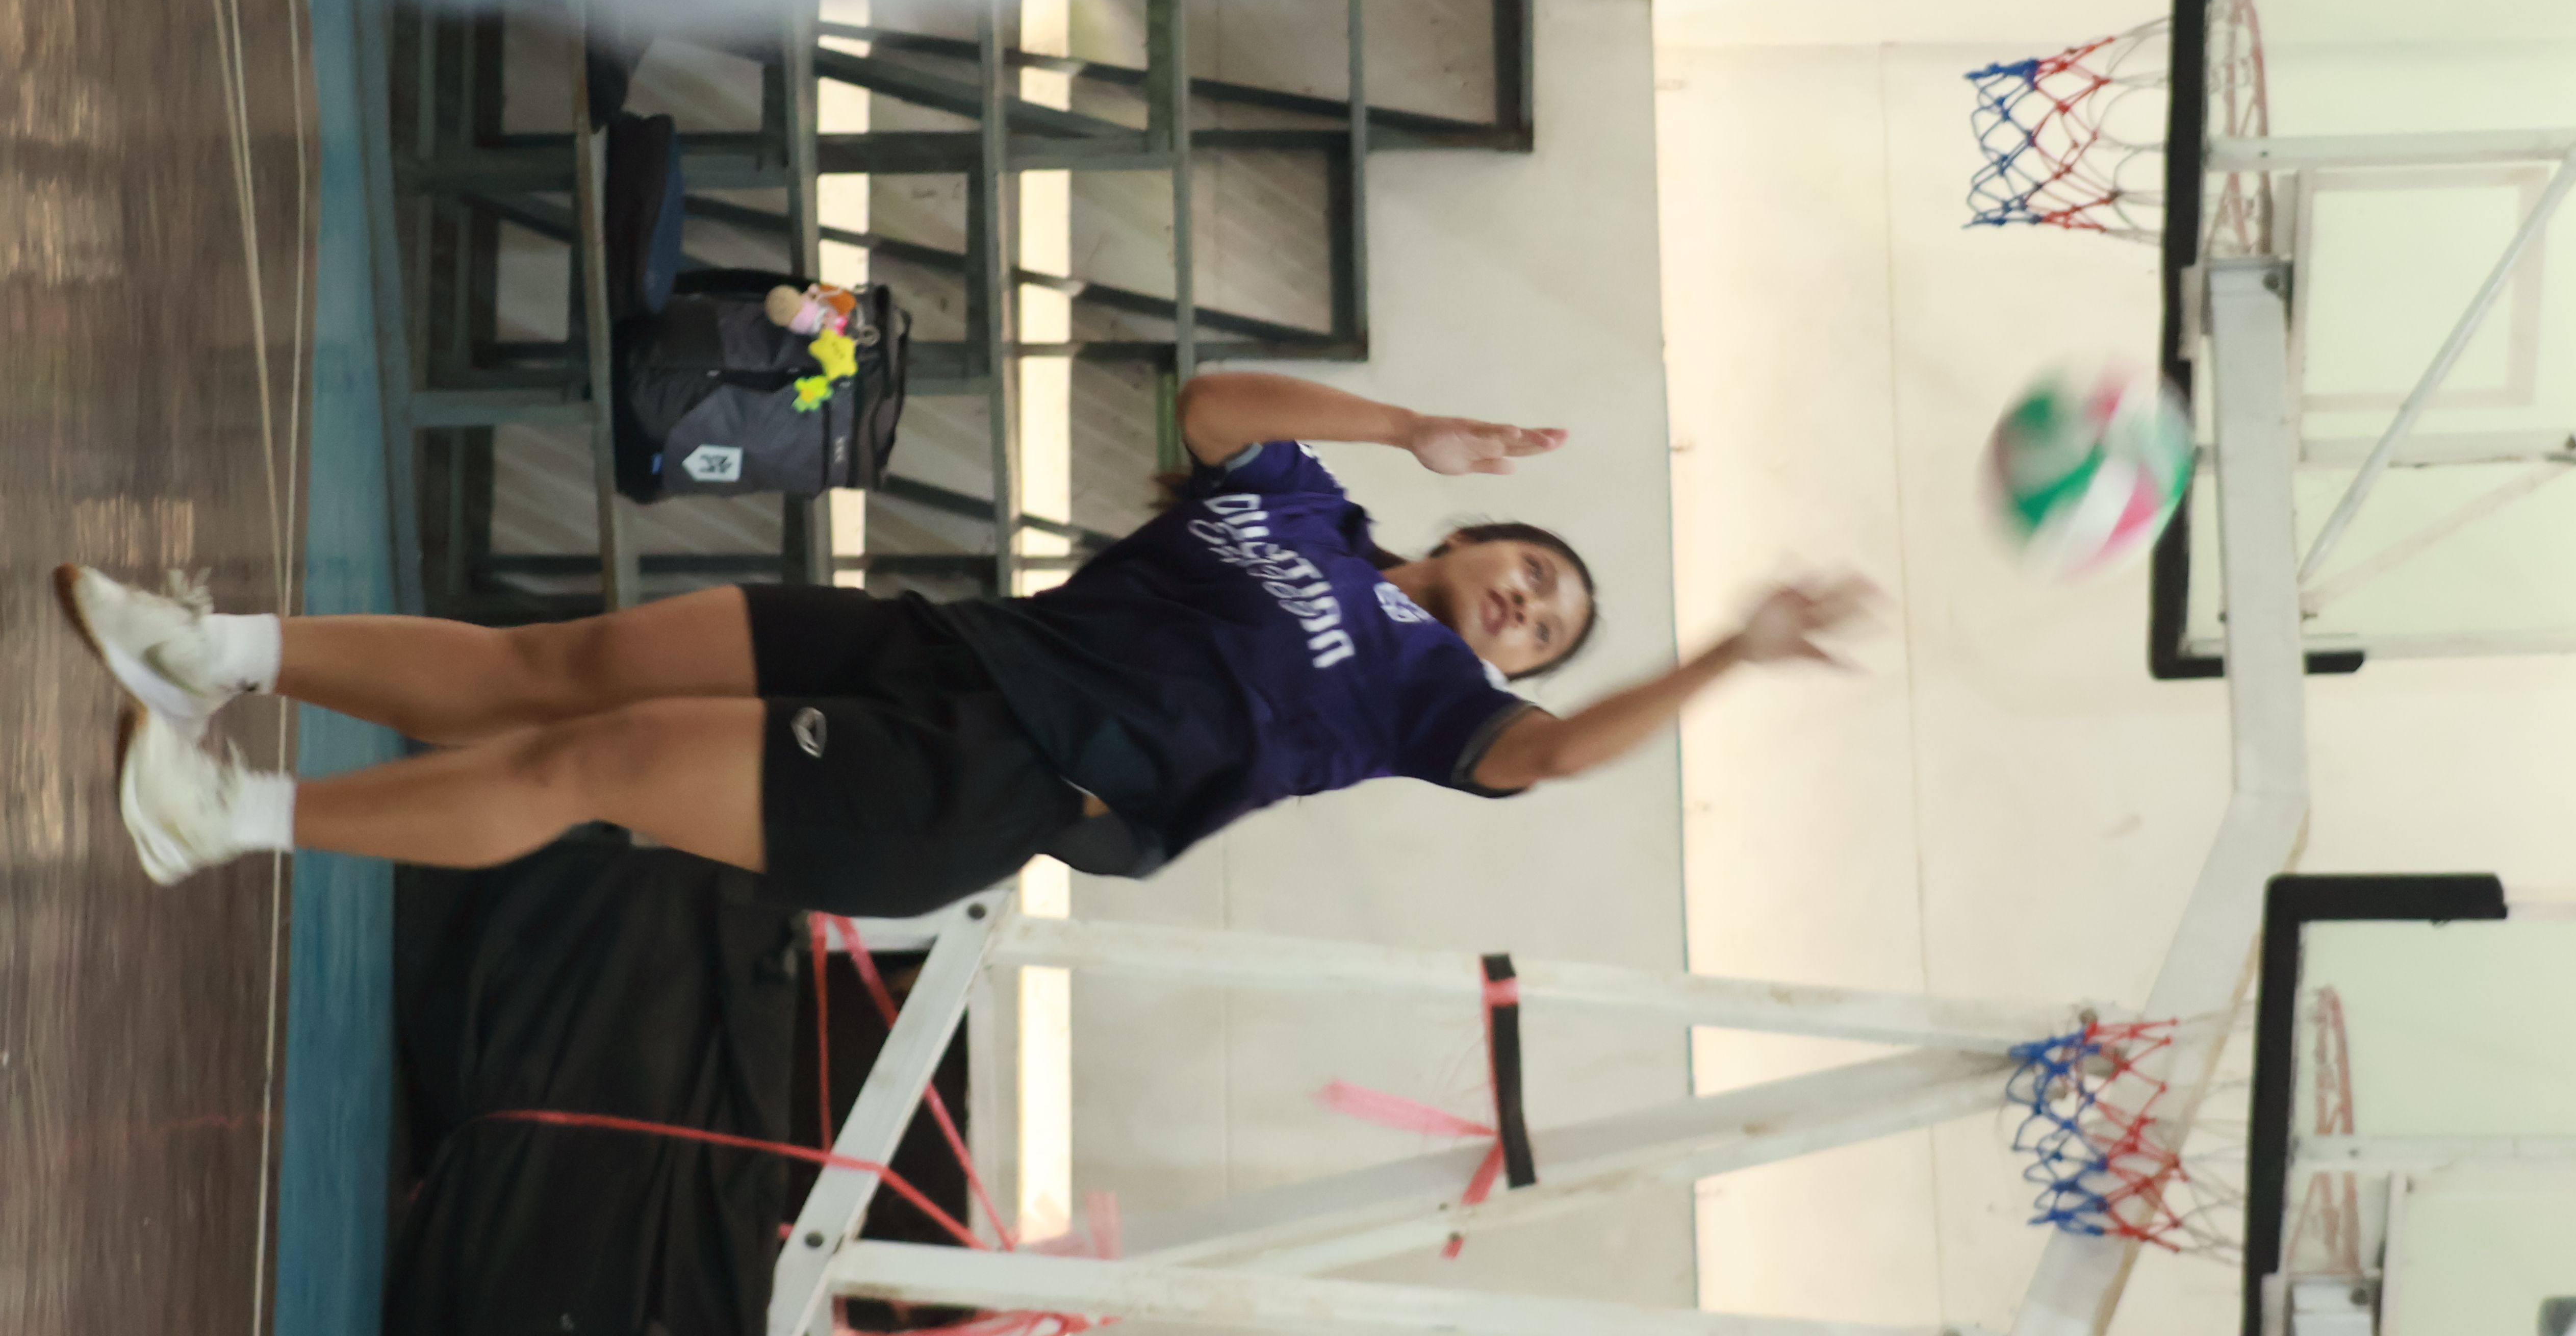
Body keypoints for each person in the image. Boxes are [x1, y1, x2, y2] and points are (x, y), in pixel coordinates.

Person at [60, 371, 1876, 910]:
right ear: (1474, 535)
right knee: (566, 666)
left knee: (588, 764)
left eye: (1546, 627)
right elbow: (1211, 405)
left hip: (984, 780)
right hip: (935, 648)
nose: (1528, 604)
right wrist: (1415, 428)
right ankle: (217, 655)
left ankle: (228, 821)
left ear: (1514, 662)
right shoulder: (1317, 508)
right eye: (1531, 569)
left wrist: (1730, 650)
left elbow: (1554, 756)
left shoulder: (1425, 704)